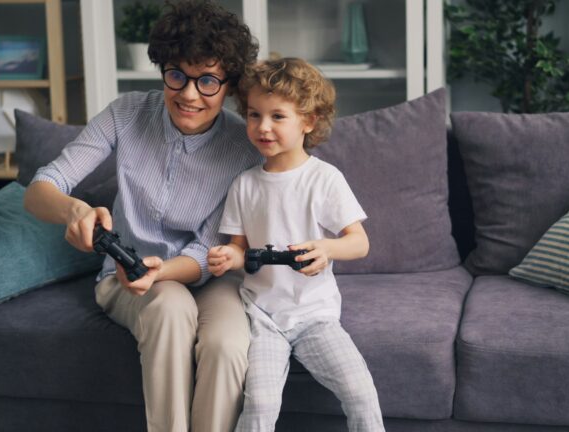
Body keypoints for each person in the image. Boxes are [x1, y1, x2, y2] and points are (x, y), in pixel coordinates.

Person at [23, 1, 263, 431]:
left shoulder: (243, 148)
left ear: (229, 84)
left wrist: (164, 269)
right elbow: (43, 187)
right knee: (170, 307)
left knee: (228, 342)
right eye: (177, 75)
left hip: (209, 274)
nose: (189, 95)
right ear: (162, 69)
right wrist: (74, 210)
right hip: (126, 278)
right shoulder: (126, 112)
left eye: (207, 80)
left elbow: (211, 247)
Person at [207, 58, 385, 431]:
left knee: (361, 391)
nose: (263, 127)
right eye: (254, 115)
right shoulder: (245, 184)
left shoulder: (324, 179)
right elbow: (240, 249)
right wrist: (230, 256)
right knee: (260, 405)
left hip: (314, 316)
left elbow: (359, 243)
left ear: (309, 121)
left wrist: (327, 248)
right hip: (262, 317)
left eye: (277, 116)